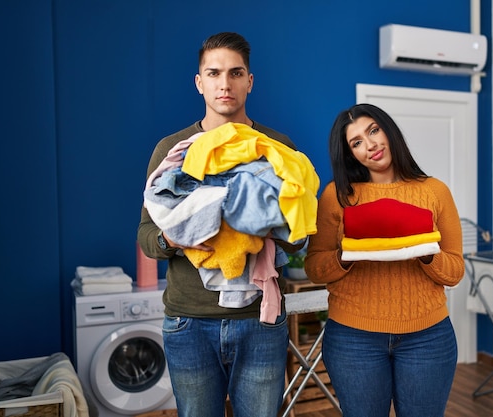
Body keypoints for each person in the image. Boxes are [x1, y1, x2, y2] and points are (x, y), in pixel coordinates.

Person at [137, 32, 305, 417]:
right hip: (189, 322)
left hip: (260, 322)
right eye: (214, 73)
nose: (224, 84)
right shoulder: (173, 149)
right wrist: (180, 233)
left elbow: (299, 240)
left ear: (250, 80)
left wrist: (272, 222)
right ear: (200, 83)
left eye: (235, 73)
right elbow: (146, 236)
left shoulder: (277, 147)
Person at [304, 103, 465, 417]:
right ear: (350, 154)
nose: (370, 145)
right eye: (357, 142)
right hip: (353, 339)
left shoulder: (435, 191)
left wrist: (425, 250)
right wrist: (347, 256)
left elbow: (455, 270)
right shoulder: (337, 195)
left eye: (373, 131)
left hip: (428, 337)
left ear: (388, 130)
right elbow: (314, 267)